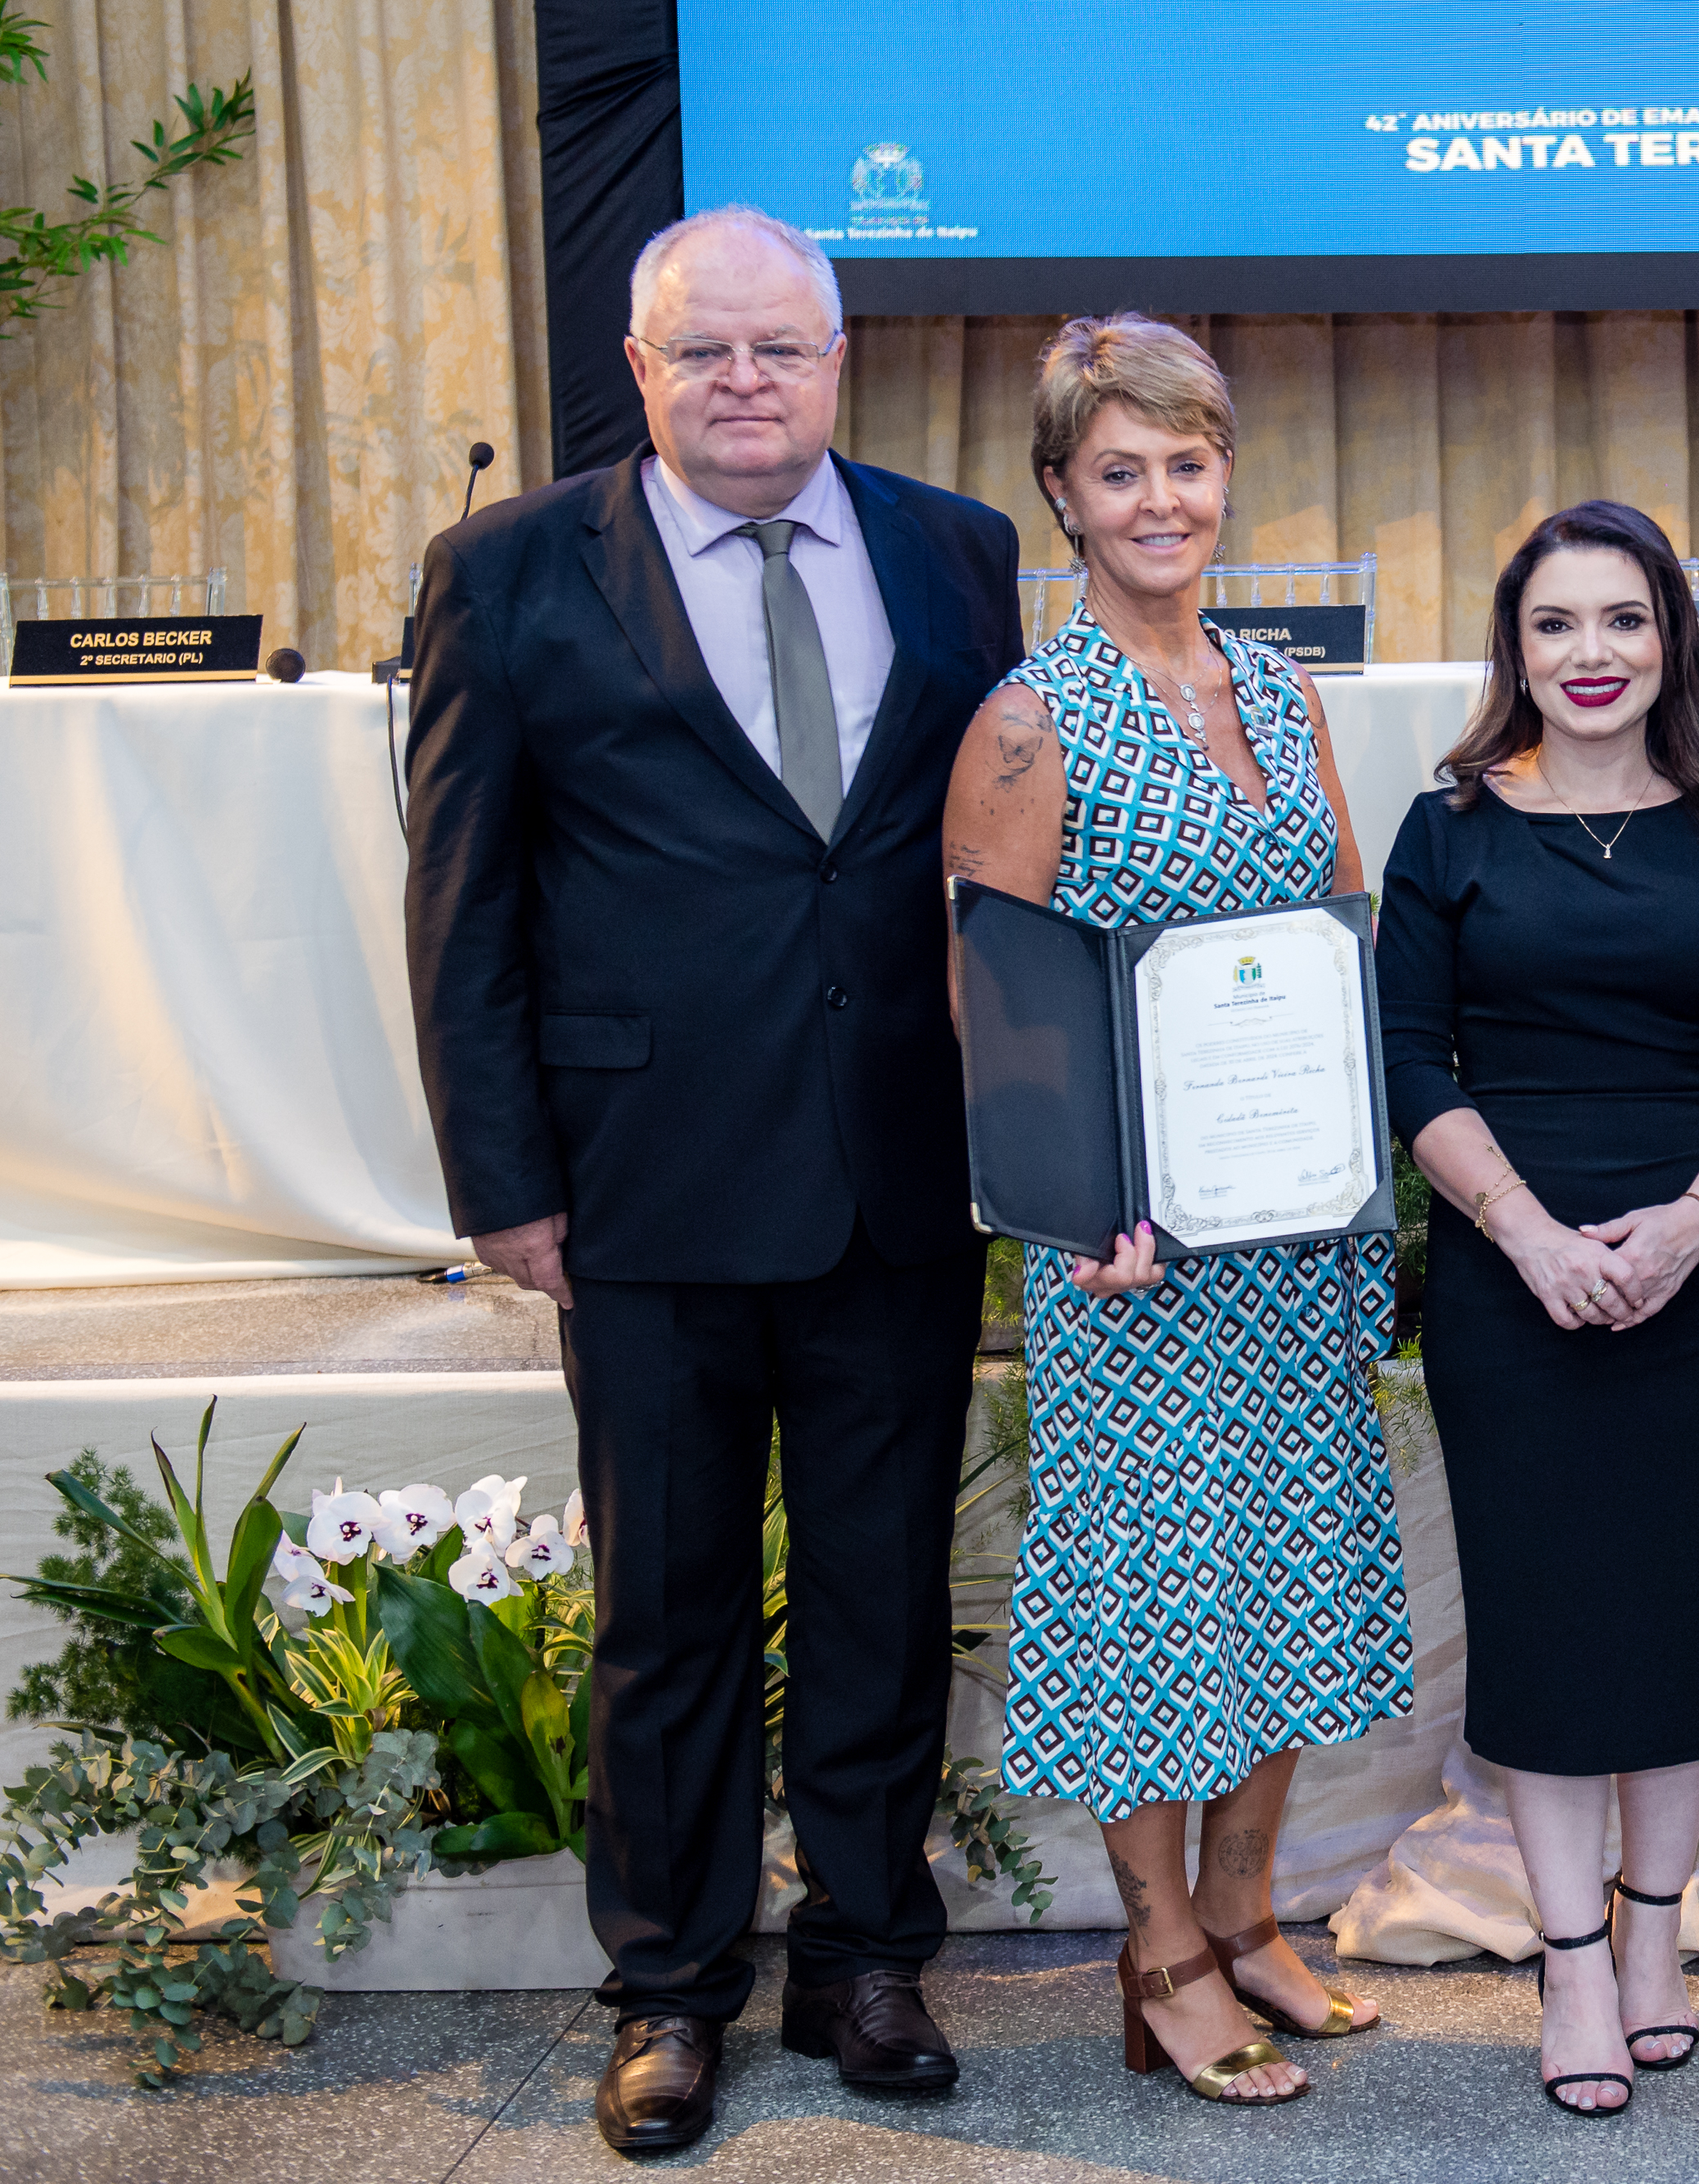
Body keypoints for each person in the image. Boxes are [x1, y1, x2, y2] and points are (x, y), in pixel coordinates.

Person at [402, 206, 1025, 2155]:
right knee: (666, 1614)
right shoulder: (505, 576)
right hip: (643, 1184)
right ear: (643, 369)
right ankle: (667, 1987)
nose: (746, 382)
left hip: (900, 1174)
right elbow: (458, 905)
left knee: (877, 1591)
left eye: (782, 349)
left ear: (840, 363)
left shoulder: (954, 550)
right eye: (705, 353)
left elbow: (984, 863)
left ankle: (862, 1954)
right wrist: (499, 1177)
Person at [940, 313, 1415, 2111]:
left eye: (1187, 462)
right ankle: (1155, 1954)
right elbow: (993, 1003)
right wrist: (1076, 1212)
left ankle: (1248, 1907)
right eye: (1119, 469)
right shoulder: (1028, 716)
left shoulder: (1281, 692)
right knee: (1155, 1599)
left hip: (1294, 1236)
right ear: (1062, 493)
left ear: (1225, 475)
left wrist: (1363, 1177)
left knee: (1291, 1577)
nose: (1160, 499)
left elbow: (1338, 938)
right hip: (1131, 1258)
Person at [1377, 500, 1699, 2118]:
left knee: (1677, 1625)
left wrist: (1690, 1222)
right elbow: (1412, 1059)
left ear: (1668, 642)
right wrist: (1531, 1239)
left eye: (1621, 621)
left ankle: (1652, 1938)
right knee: (1554, 1634)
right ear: (1514, 648)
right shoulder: (1450, 833)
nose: (1589, 655)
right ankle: (1567, 1960)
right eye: (1555, 624)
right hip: (1513, 1290)